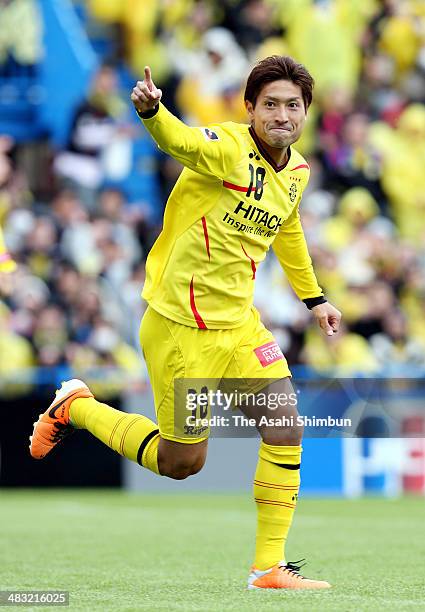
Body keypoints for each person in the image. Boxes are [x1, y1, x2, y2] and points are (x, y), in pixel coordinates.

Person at [30, 56, 341, 590]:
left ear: (306, 112)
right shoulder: (226, 146)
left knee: (286, 423)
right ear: (250, 109)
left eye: (293, 105)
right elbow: (181, 142)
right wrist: (153, 113)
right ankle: (78, 407)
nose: (282, 114)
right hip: (181, 330)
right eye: (270, 104)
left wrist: (314, 299)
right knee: (182, 464)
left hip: (240, 326)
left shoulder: (297, 172)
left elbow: (287, 231)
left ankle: (268, 567)